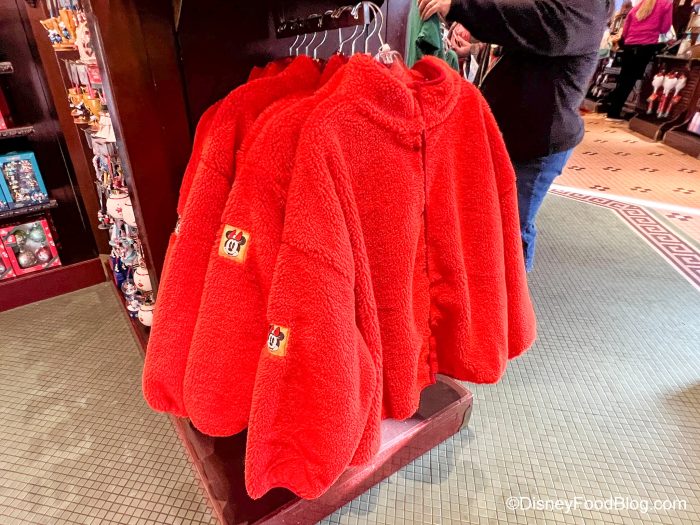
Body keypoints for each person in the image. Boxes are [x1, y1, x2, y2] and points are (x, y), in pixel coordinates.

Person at [417, 0, 611, 271]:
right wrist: (473, 43)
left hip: (537, 144)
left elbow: (533, 22)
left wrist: (460, 6)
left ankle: (512, 296)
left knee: (512, 229)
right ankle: (498, 289)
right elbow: (525, 36)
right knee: (496, 224)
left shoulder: (585, 6)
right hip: (522, 136)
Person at [606, 0, 673, 121]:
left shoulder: (638, 6)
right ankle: (614, 112)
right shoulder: (666, 4)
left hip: (629, 46)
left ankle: (612, 108)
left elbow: (625, 30)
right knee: (630, 80)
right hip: (645, 47)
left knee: (624, 79)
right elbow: (664, 28)